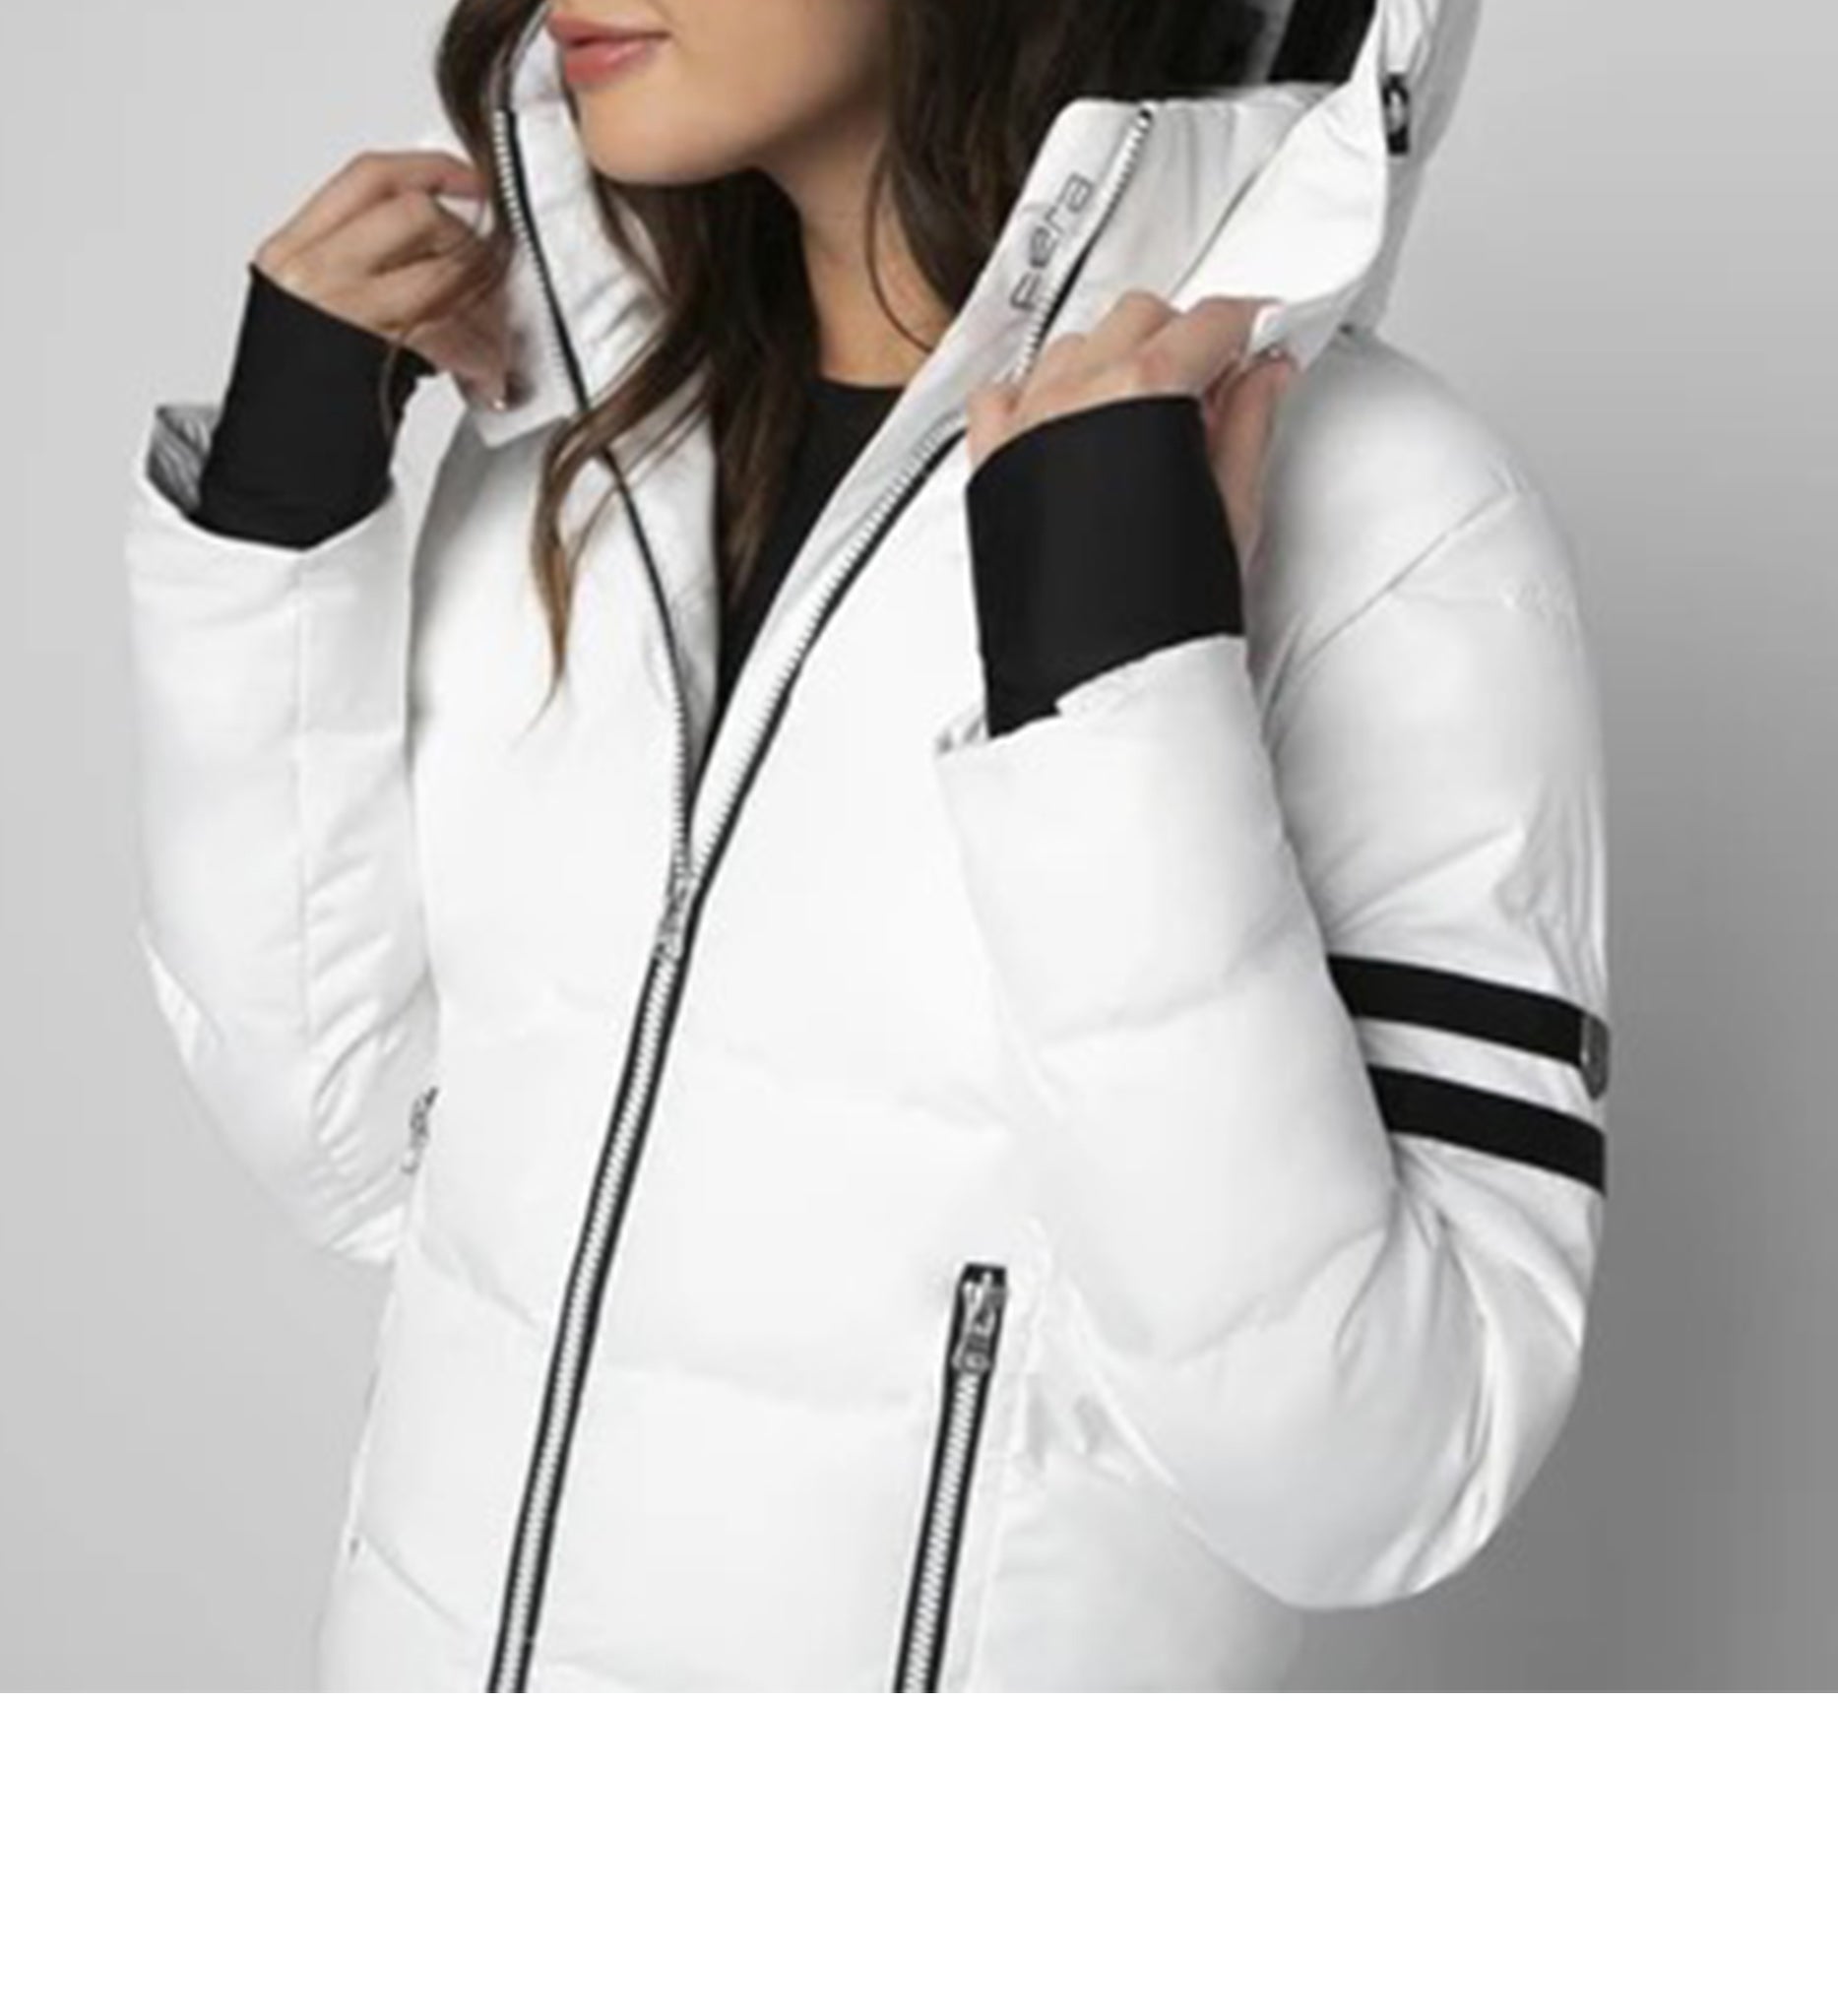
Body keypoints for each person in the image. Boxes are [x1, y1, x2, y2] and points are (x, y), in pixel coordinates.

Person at [121, 0, 1613, 1692]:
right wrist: (279, 512)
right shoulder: (590, 456)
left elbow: (1379, 1473)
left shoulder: (1386, 512)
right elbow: (354, 1143)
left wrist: (1120, 675)